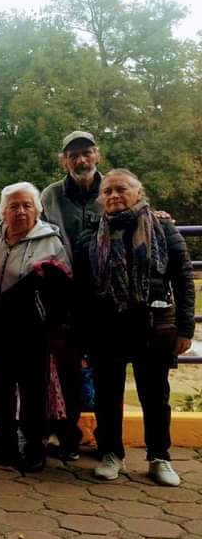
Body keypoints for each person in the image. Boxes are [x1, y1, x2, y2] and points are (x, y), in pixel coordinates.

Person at [82, 169, 195, 486]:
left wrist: (185, 328)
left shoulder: (163, 228)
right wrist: (83, 332)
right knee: (107, 395)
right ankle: (111, 453)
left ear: (139, 192)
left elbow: (183, 280)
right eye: (107, 191)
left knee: (155, 395)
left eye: (121, 189)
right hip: (107, 327)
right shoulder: (91, 235)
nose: (114, 196)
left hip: (152, 325)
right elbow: (83, 289)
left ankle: (160, 456)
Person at [0, 183, 71, 473]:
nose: (20, 211)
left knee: (33, 388)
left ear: (37, 210)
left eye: (27, 205)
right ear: (2, 212)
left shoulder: (50, 241)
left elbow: (64, 287)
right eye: (13, 206)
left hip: (33, 325)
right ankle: (4, 443)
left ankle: (34, 447)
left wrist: (55, 325)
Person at [40, 130, 104, 461]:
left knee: (108, 369)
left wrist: (160, 216)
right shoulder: (50, 195)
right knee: (66, 370)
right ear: (63, 161)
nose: (81, 160)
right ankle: (67, 436)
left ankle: (109, 441)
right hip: (65, 297)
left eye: (86, 153)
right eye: (73, 155)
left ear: (97, 155)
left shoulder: (112, 189)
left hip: (105, 296)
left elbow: (138, 212)